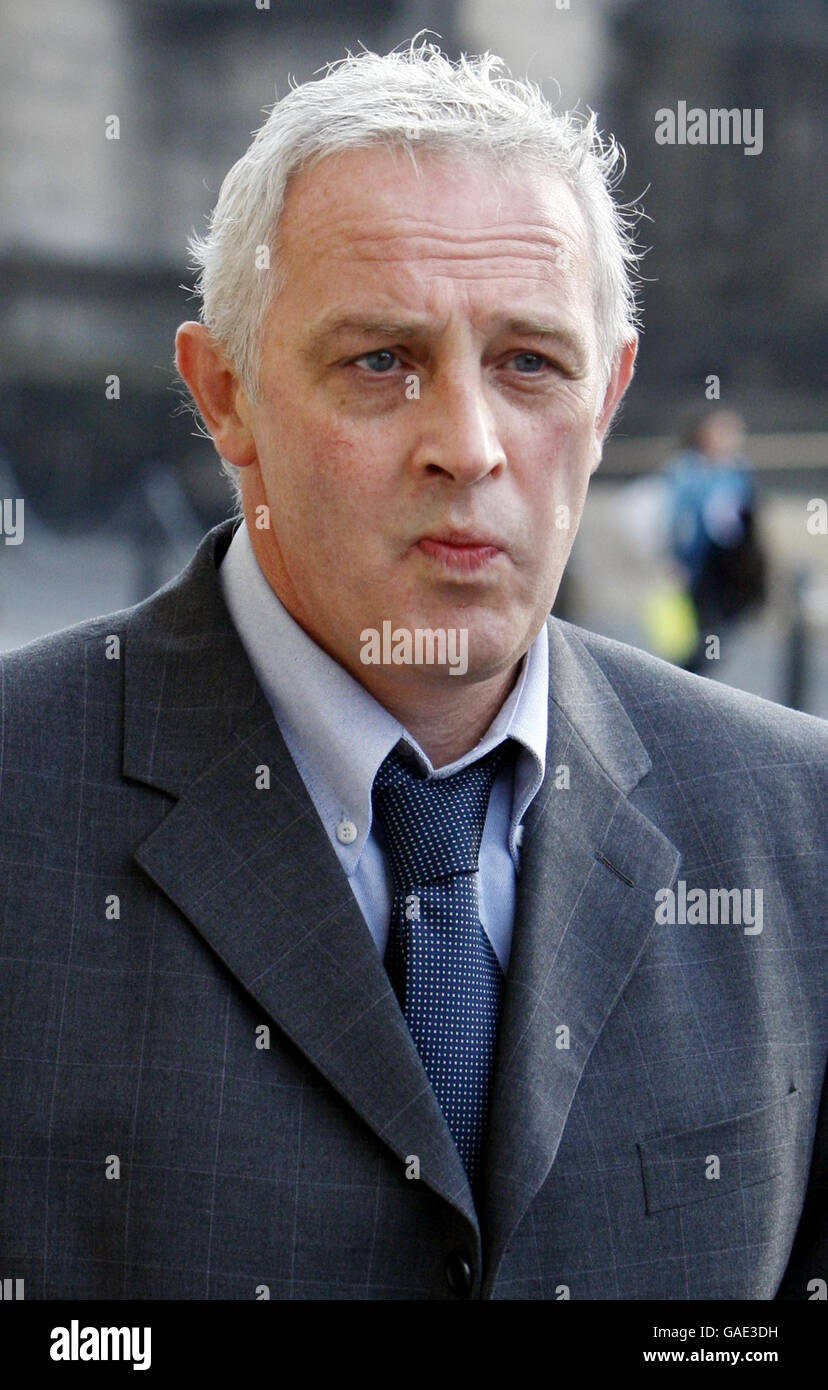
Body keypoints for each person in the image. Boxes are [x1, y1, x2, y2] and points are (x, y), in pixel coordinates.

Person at [0, 38, 824, 1302]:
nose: (470, 445)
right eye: (381, 361)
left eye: (530, 363)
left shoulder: (797, 827)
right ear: (225, 396)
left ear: (608, 397)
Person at [664, 408, 767, 671]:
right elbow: (677, 518)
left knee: (722, 626)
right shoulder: (688, 471)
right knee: (696, 630)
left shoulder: (739, 472)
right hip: (700, 561)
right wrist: (675, 558)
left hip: (730, 566)